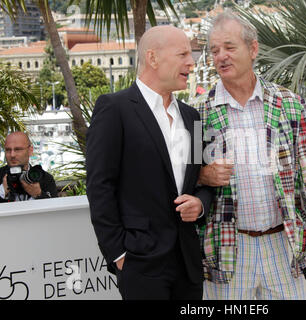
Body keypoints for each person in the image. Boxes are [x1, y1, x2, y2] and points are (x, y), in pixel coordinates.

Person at [193, 11, 306, 300]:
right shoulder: (199, 112)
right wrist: (202, 174)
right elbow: (185, 178)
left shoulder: (289, 104)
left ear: (253, 49)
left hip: (283, 247)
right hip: (227, 251)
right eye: (215, 50)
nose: (221, 56)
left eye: (230, 47)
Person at [86, 25, 213, 300]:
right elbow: (99, 186)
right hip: (140, 264)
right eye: (182, 54)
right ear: (153, 58)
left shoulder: (194, 118)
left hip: (189, 264)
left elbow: (204, 181)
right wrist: (119, 254)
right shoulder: (113, 108)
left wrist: (200, 204)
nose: (191, 62)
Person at [0, 131, 57, 202]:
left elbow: (53, 209)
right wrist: (2, 194)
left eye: (18, 149)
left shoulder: (45, 178)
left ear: (30, 150)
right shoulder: (0, 176)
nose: (12, 155)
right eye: (8, 150)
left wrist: (38, 194)